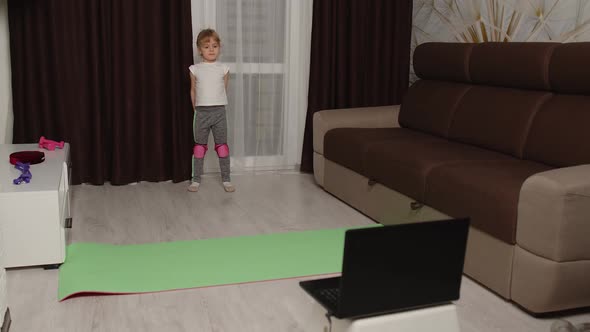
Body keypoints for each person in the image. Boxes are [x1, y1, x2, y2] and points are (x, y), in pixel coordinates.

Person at [188, 28, 235, 193]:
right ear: (200, 49)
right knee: (199, 147)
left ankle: (226, 179)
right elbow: (193, 90)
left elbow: (223, 88)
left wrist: (216, 103)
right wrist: (197, 109)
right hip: (201, 113)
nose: (211, 49)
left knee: (222, 146)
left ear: (219, 48)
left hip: (219, 112)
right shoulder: (194, 69)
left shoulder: (224, 69)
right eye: (207, 47)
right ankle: (196, 180)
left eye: (215, 46)